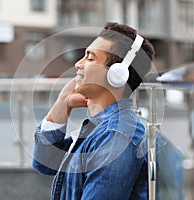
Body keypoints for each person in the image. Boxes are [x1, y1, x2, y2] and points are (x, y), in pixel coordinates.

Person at [32, 22, 155, 199]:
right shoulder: (100, 127)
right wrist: (63, 102)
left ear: (117, 73)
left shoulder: (115, 137)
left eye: (90, 58)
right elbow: (44, 162)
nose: (77, 64)